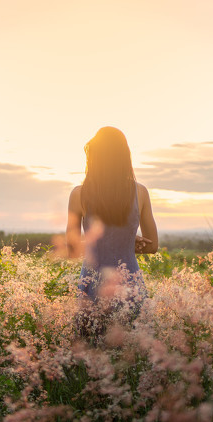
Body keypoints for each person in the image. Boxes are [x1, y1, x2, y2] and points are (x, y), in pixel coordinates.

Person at [66, 126, 158, 303]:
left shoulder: (79, 194)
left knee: (92, 329)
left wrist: (104, 244)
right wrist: (124, 242)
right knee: (132, 328)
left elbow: (72, 249)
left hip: (93, 282)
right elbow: (152, 246)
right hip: (130, 281)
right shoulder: (140, 192)